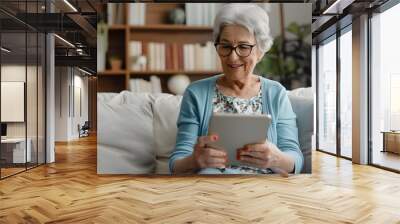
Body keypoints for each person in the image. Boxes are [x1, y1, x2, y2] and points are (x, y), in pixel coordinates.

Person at [168, 3, 304, 175]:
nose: (233, 57)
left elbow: (296, 159)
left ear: (260, 51)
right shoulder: (195, 93)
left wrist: (276, 158)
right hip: (212, 187)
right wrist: (194, 160)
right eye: (225, 46)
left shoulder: (276, 93)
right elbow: (176, 163)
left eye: (243, 47)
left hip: (263, 189)